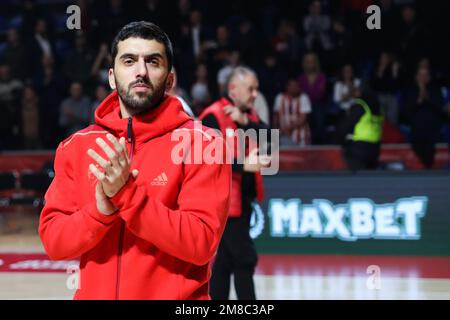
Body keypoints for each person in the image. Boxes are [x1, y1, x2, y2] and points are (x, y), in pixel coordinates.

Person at [39, 21, 231, 300]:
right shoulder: (76, 146)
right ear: (112, 77)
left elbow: (200, 244)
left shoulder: (203, 145)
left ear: (170, 79)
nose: (141, 71)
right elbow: (55, 243)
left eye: (153, 61)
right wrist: (100, 212)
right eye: (129, 61)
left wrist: (127, 196)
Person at [200, 67, 271, 300]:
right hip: (225, 205)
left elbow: (271, 139)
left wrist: (245, 124)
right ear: (233, 89)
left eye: (256, 89)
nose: (254, 94)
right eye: (251, 89)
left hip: (243, 202)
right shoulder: (213, 116)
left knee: (224, 263)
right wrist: (243, 165)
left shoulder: (247, 115)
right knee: (244, 258)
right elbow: (206, 160)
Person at [336, 91, 384, 171]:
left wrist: (340, 141)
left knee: (357, 178)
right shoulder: (379, 108)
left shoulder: (360, 106)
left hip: (359, 148)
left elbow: (347, 125)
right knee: (370, 177)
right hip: (375, 148)